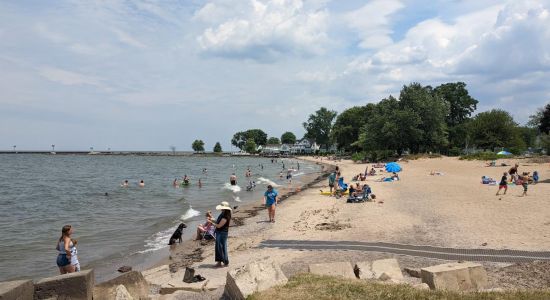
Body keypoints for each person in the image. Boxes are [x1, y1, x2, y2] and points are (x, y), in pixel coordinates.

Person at [211, 202, 232, 267]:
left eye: (222, 208)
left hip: (222, 233)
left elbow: (219, 226)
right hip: (221, 232)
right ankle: (222, 262)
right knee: (220, 247)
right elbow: (218, 223)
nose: (221, 209)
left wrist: (212, 223)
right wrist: (213, 220)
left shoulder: (225, 216)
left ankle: (223, 262)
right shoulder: (223, 214)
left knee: (221, 247)